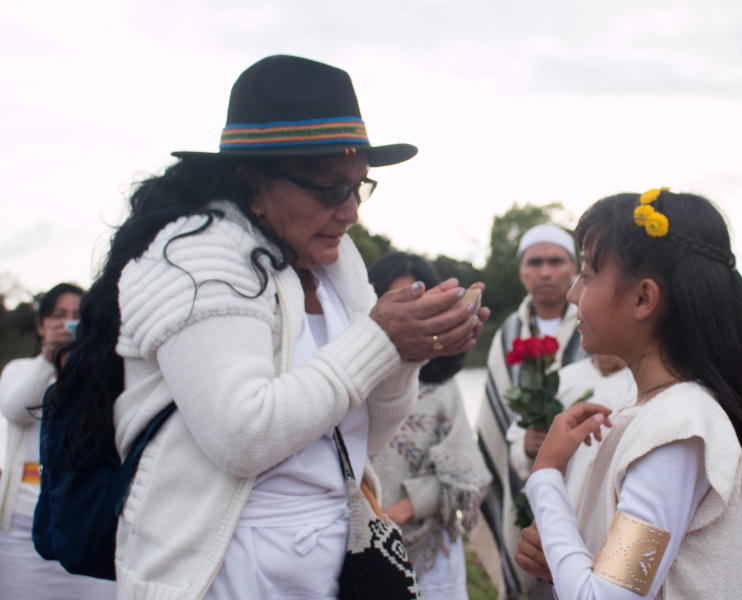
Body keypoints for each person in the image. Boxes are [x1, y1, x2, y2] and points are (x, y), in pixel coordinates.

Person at [52, 55, 489, 599]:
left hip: (329, 567)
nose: (350, 211)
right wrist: (380, 339)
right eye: (329, 189)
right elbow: (243, 435)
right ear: (252, 178)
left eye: (360, 187)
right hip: (219, 574)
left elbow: (361, 440)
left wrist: (406, 355)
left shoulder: (339, 263)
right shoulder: (194, 255)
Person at [514, 188, 742, 599]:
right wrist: (566, 561)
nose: (574, 295)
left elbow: (605, 597)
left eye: (588, 276)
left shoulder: (675, 429)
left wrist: (546, 476)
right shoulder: (668, 415)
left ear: (643, 297)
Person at [368, 252, 492, 600]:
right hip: (354, 551)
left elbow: (467, 473)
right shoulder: (348, 381)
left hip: (429, 559)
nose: (408, 316)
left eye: (419, 303)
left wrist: (399, 512)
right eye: (394, 301)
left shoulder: (441, 388)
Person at [474, 222, 588, 599]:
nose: (545, 272)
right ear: (521, 270)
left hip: (584, 476)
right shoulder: (508, 333)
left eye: (555, 261)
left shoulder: (595, 323)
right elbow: (497, 416)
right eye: (534, 262)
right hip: (522, 482)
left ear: (574, 267)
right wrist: (525, 441)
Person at [0, 283, 116, 600]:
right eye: (57, 315)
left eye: (76, 316)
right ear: (40, 325)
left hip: (85, 521)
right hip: (22, 526)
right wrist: (48, 359)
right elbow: (15, 410)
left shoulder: (102, 375)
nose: (66, 323)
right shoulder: (20, 370)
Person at [507, 353, 633, 512]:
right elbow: (518, 458)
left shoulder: (643, 385)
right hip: (560, 514)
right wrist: (527, 448)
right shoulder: (562, 379)